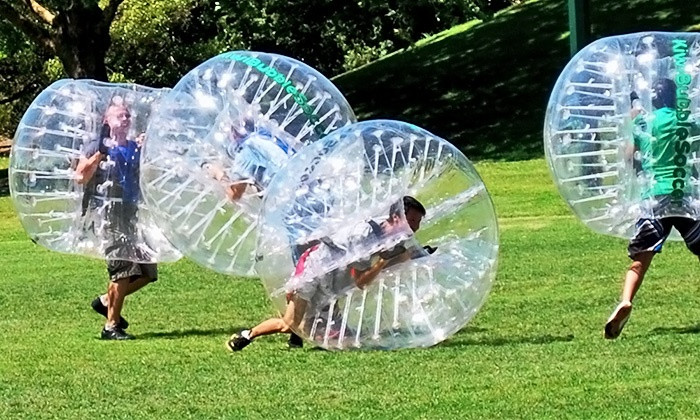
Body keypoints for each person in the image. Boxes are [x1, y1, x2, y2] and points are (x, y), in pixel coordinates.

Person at [226, 196, 427, 351]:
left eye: (418, 223)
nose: (415, 228)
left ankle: (297, 335)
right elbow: (361, 281)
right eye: (412, 221)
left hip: (330, 278)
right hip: (314, 270)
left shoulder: (389, 235)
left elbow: (397, 256)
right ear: (396, 217)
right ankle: (247, 335)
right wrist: (384, 261)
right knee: (288, 324)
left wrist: (417, 255)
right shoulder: (365, 235)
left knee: (318, 328)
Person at [605, 78, 700, 339]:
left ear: (654, 99)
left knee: (640, 259)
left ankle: (626, 300)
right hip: (683, 196)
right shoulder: (686, 121)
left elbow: (629, 156)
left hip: (653, 199)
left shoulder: (643, 122)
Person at [75, 99, 157, 340]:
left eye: (127, 116)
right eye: (119, 116)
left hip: (132, 214)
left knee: (148, 271)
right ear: (106, 121)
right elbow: (80, 177)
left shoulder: (134, 147)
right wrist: (100, 153)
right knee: (121, 270)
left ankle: (105, 301)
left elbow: (149, 176)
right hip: (108, 214)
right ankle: (111, 327)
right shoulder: (95, 146)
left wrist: (147, 149)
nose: (125, 119)